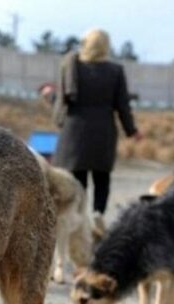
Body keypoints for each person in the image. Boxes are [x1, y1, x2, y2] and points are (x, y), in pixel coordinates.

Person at [53, 28, 141, 230]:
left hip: (75, 131)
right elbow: (123, 105)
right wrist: (132, 130)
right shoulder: (115, 71)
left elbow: (63, 99)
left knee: (78, 180)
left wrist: (49, 95)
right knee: (102, 178)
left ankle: (80, 218)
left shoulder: (71, 66)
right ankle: (98, 213)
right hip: (103, 131)